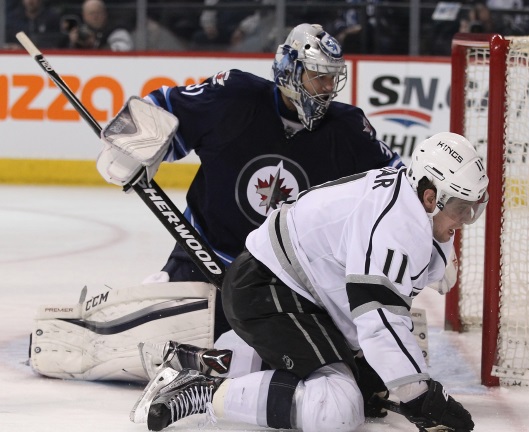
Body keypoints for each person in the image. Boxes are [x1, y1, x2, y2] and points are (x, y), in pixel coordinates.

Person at [131, 132, 486, 432]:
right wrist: (419, 395)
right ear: (429, 196)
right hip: (269, 288)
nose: (465, 220)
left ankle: (203, 360)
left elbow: (386, 298)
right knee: (337, 406)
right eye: (460, 208)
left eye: (473, 209)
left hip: (282, 284)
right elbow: (378, 320)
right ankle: (203, 392)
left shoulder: (407, 200)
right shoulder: (396, 227)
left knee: (369, 379)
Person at [96, 22, 402, 341]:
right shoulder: (235, 96)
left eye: (332, 78)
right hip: (202, 253)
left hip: (284, 278)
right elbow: (165, 105)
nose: (327, 87)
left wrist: (426, 235)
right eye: (319, 76)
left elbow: (394, 183)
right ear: (291, 70)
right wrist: (131, 144)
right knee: (156, 339)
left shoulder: (347, 128)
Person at [64, 0, 133, 51]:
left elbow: (122, 52)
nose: (95, 17)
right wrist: (73, 44)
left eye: (98, 13)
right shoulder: (80, 32)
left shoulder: (118, 32)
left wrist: (95, 44)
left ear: (105, 14)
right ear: (84, 16)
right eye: (91, 13)